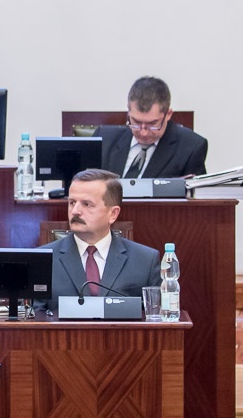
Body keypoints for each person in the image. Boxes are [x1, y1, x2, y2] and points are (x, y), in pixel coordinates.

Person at [35, 169, 161, 312]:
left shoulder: (145, 261)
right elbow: (34, 319)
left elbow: (156, 318)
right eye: (72, 202)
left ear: (113, 214)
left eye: (87, 204)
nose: (75, 211)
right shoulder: (43, 260)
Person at [94, 76, 207, 178]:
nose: (143, 132)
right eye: (136, 122)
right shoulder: (103, 139)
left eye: (152, 124)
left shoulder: (191, 147)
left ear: (168, 114)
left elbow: (194, 193)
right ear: (128, 111)